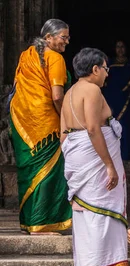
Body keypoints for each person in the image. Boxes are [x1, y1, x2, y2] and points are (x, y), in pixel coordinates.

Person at [61, 48, 129, 266]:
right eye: (105, 68)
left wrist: (77, 160)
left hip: (79, 157)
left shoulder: (70, 93)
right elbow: (92, 128)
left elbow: (64, 135)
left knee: (86, 214)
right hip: (94, 158)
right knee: (99, 212)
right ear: (95, 69)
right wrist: (108, 164)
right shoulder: (91, 90)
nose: (107, 73)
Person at [9, 19, 72, 234]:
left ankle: (29, 221)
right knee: (49, 169)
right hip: (46, 123)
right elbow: (56, 96)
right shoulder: (55, 58)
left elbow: (17, 87)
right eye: (63, 37)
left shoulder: (26, 55)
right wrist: (67, 117)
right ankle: (44, 222)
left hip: (21, 121)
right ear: (48, 38)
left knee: (29, 170)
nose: (67, 41)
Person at [102, 40, 130, 161]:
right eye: (117, 47)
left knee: (127, 129)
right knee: (110, 128)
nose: (120, 49)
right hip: (111, 100)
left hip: (127, 101)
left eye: (122, 47)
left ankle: (127, 157)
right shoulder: (109, 64)